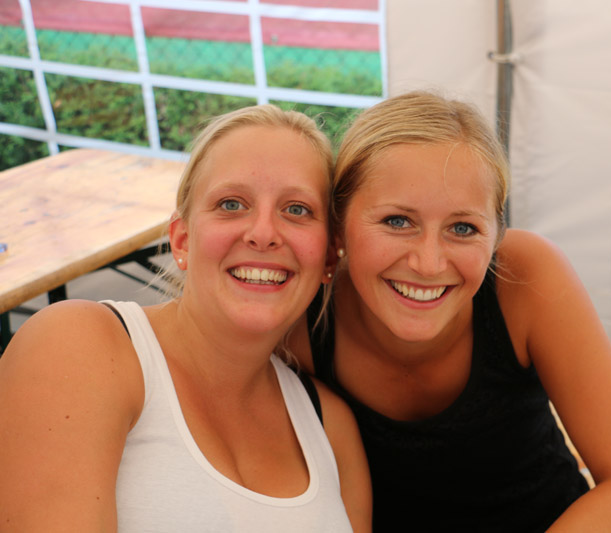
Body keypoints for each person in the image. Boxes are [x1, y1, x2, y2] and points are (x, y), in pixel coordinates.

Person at [289, 90, 611, 532]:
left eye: (462, 227)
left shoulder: (525, 278)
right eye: (397, 221)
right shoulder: (299, 325)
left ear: (496, 235)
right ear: (338, 227)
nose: (429, 263)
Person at [0, 105, 371, 532]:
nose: (263, 233)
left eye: (297, 209)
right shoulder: (80, 347)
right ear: (182, 239)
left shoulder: (330, 426)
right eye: (231, 204)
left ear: (329, 258)